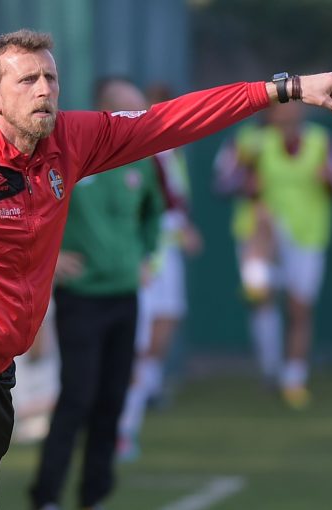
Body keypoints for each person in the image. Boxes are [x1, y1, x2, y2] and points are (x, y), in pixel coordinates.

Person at [0, 27, 332, 509]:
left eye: (50, 78)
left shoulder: (69, 140)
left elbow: (168, 121)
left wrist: (286, 88)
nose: (44, 90)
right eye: (28, 80)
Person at [29, 77, 164, 510]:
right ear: (106, 112)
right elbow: (30, 211)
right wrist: (49, 260)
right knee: (77, 398)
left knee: (113, 400)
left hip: (126, 295)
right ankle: (46, 497)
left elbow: (154, 213)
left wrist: (145, 254)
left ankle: (94, 497)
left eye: (142, 109)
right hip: (82, 297)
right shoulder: (72, 154)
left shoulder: (143, 161)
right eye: (130, 109)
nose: (140, 118)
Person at [214, 102, 332, 409]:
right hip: (259, 235)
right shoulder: (248, 140)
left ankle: (294, 378)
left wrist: (329, 180)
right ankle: (270, 369)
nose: (288, 115)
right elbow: (222, 182)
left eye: (294, 108)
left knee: (299, 307)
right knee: (261, 296)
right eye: (282, 108)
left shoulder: (322, 141)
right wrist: (246, 182)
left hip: (307, 235)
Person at [118, 83, 203, 462]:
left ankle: (136, 405)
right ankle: (123, 428)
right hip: (138, 260)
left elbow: (172, 202)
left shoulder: (172, 153)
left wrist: (183, 229)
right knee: (135, 348)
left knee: (161, 331)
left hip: (164, 255)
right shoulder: (134, 151)